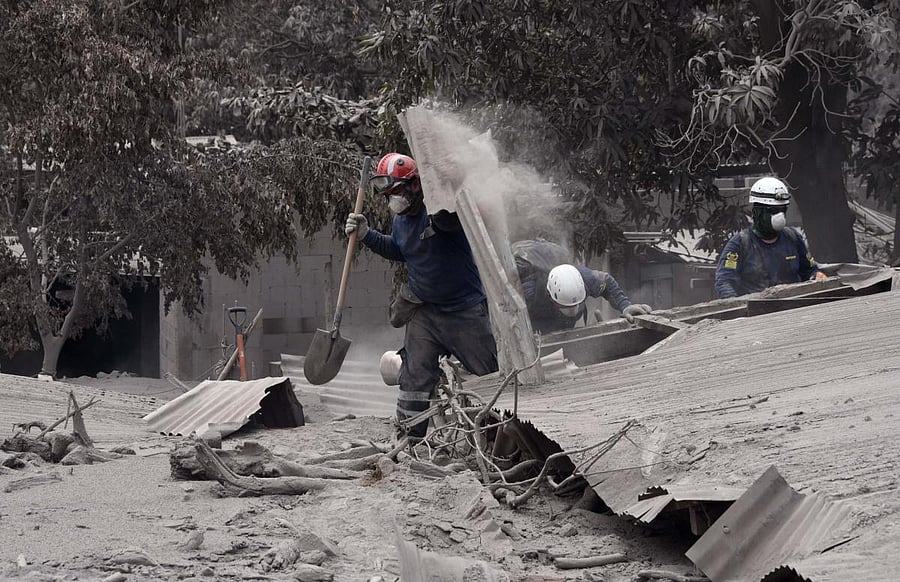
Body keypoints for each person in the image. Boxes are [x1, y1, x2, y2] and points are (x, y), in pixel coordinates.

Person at [344, 153, 498, 442]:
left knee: (488, 377)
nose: (394, 200)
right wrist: (367, 235)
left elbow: (451, 218)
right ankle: (409, 440)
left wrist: (442, 199)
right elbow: (402, 251)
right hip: (426, 312)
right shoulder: (402, 221)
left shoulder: (441, 212)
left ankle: (495, 439)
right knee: (413, 378)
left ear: (415, 185)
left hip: (464, 311)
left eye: (398, 191)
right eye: (389, 195)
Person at [511, 239, 652, 334]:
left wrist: (625, 305)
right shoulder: (528, 292)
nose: (573, 310)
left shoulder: (587, 279)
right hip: (539, 323)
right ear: (551, 296)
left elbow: (607, 282)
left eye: (576, 305)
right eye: (566, 307)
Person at [715, 177, 824, 299]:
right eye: (773, 211)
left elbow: (809, 270)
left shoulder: (793, 238)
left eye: (783, 210)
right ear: (757, 212)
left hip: (793, 308)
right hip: (757, 312)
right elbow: (725, 281)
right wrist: (736, 309)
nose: (780, 216)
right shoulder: (740, 244)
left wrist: (816, 275)